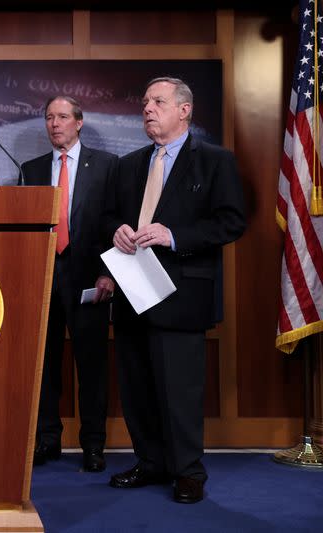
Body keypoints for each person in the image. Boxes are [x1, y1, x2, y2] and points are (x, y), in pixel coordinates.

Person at [104, 77, 246, 503]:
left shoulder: (215, 161)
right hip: (132, 294)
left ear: (184, 110)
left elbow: (231, 222)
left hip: (182, 295)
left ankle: (188, 473)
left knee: (179, 391)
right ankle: (151, 463)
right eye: (145, 101)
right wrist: (118, 232)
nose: (147, 107)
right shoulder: (129, 164)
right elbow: (109, 217)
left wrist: (173, 235)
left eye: (158, 101)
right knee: (137, 388)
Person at [22, 96, 117, 472]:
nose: (54, 124)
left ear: (79, 122)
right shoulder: (30, 169)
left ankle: (93, 445)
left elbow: (117, 221)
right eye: (48, 117)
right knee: (43, 366)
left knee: (91, 365)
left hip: (90, 278)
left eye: (62, 117)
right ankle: (48, 440)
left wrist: (110, 273)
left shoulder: (108, 166)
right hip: (43, 280)